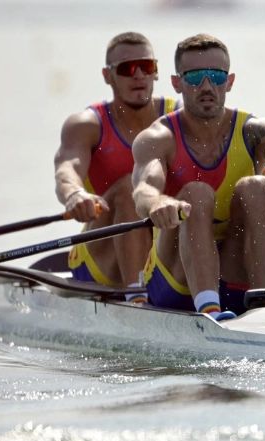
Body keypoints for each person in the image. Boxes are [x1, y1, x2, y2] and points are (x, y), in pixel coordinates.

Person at [131, 33, 265, 320]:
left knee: (257, 186)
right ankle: (209, 308)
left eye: (216, 76)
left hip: (233, 273)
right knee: (197, 193)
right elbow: (144, 189)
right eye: (195, 77)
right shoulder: (159, 137)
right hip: (174, 284)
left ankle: (263, 307)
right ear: (177, 83)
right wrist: (158, 203)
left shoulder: (255, 129)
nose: (207, 86)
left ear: (230, 81)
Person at [54, 32, 178, 294]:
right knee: (130, 187)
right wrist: (75, 194)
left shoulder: (178, 117)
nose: (138, 75)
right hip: (100, 258)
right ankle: (136, 294)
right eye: (126, 68)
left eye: (146, 67)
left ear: (156, 72)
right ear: (107, 76)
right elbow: (67, 169)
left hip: (163, 246)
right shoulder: (86, 124)